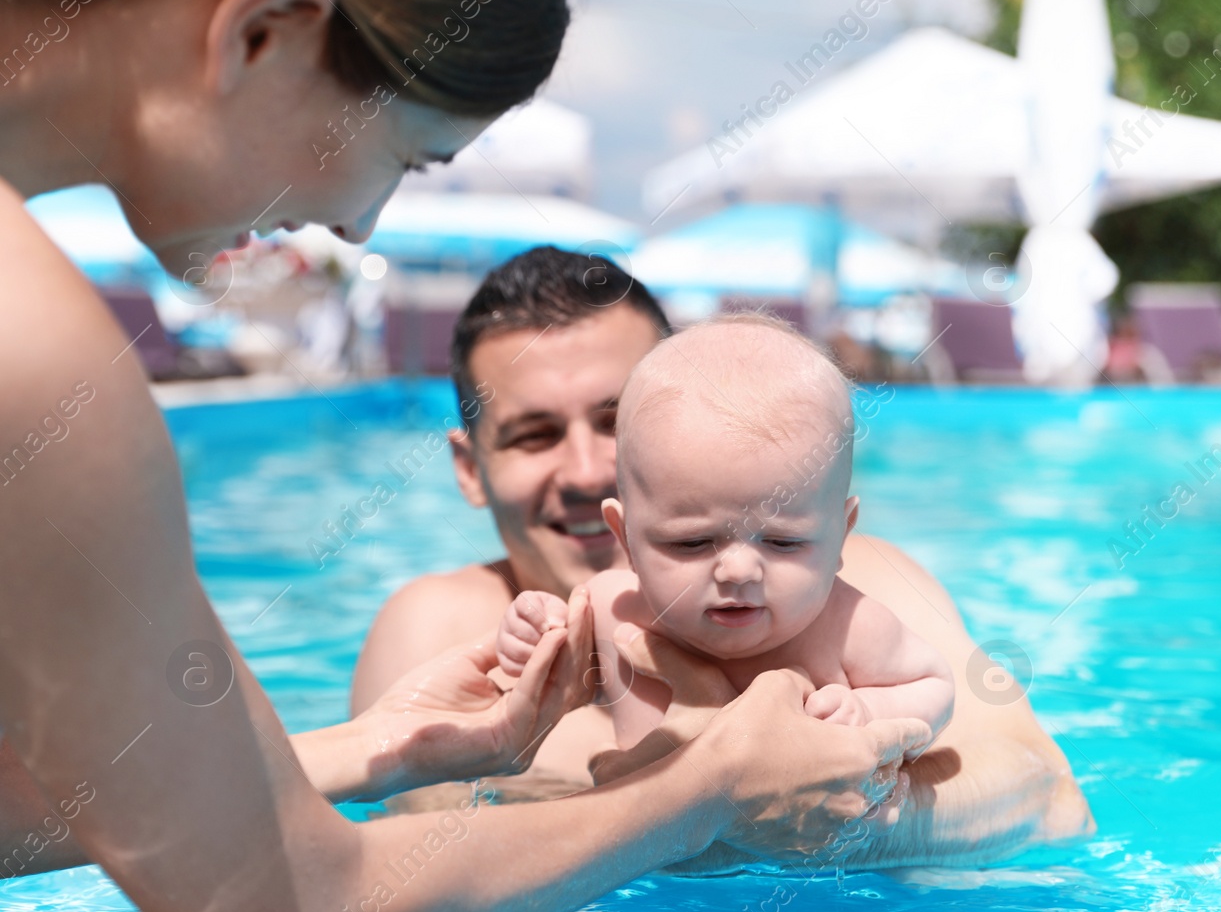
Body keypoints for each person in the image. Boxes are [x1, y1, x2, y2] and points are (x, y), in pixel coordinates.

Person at [0, 0, 927, 912]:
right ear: (266, 32)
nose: (362, 223)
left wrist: (374, 746)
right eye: (406, 157)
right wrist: (706, 790)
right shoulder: (27, 342)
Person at [353, 247, 1094, 869]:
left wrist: (852, 823)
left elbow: (1048, 792)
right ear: (469, 467)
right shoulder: (449, 628)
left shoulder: (860, 582)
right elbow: (422, 871)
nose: (585, 470)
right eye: (534, 434)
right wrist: (715, 799)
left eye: (619, 421)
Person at [498, 316, 956, 755]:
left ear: (841, 536)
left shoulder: (850, 629)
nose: (737, 571)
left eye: (782, 542)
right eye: (691, 543)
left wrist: (870, 708)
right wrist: (535, 642)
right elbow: (553, 689)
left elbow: (935, 686)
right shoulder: (610, 611)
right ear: (625, 538)